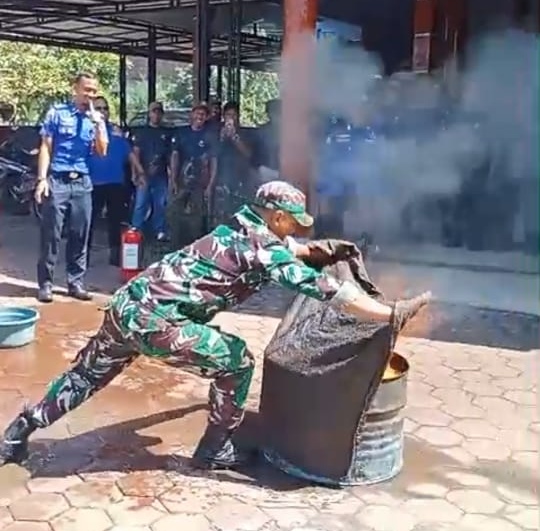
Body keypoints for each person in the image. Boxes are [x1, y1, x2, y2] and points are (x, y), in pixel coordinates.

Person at [0, 180, 430, 471]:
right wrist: (390, 313)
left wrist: (317, 249)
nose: (294, 227)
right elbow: (329, 291)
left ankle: (19, 432)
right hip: (159, 322)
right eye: (292, 220)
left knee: (84, 376)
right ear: (275, 216)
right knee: (238, 361)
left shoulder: (240, 226)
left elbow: (284, 248)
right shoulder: (264, 247)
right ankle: (214, 448)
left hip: (126, 307)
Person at [35, 72, 109, 303]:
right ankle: (46, 284)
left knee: (80, 234)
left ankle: (75, 282)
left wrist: (99, 125)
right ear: (75, 89)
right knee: (52, 234)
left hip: (82, 182)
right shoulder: (57, 113)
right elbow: (46, 147)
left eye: (94, 91)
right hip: (58, 179)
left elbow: (102, 151)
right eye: (86, 90)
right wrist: (42, 179)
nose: (90, 95)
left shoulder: (96, 119)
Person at [88, 97, 144, 266]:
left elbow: (129, 152)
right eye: (98, 108)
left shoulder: (115, 131)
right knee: (88, 220)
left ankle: (115, 256)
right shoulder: (86, 129)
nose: (102, 111)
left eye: (105, 108)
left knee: (116, 220)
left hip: (115, 182)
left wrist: (140, 171)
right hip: (92, 182)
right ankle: (83, 257)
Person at [169, 103, 218, 247]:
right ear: (192, 115)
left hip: (200, 181)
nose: (200, 116)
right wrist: (173, 180)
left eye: (203, 114)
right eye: (197, 113)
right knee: (174, 211)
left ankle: (195, 246)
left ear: (206, 117)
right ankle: (175, 245)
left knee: (198, 216)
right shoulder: (181, 133)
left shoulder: (210, 136)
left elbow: (213, 160)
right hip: (181, 179)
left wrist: (210, 185)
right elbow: (175, 156)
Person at [130, 101, 171, 241]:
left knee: (160, 204)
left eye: (159, 112)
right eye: (154, 111)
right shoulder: (142, 132)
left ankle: (159, 230)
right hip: (144, 173)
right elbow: (135, 153)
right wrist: (135, 173)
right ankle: (136, 229)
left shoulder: (167, 132)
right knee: (140, 203)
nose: (156, 114)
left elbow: (171, 155)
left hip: (161, 174)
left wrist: (171, 174)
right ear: (149, 114)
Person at [214, 101, 253, 223]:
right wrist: (222, 137)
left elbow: (248, 154)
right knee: (221, 207)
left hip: (240, 174)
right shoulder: (216, 131)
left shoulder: (245, 132)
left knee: (239, 206)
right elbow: (212, 153)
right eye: (228, 115)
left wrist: (234, 137)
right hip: (220, 175)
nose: (231, 118)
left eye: (234, 115)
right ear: (223, 116)